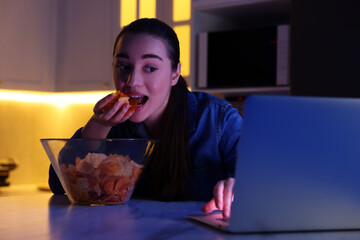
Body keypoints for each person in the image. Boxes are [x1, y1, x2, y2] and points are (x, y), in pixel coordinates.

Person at [49, 18, 242, 218]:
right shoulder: (111, 126)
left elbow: (263, 181)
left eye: (150, 68)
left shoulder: (219, 119)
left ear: (175, 73)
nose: (133, 82)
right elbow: (58, 184)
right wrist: (98, 124)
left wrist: (240, 185)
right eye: (123, 66)